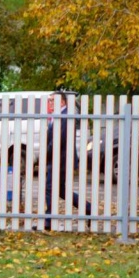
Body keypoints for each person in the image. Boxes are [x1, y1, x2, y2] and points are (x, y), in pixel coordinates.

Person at [44, 92, 92, 231]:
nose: (50, 103)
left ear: (63, 102)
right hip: (58, 159)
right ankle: (88, 208)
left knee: (49, 188)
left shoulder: (64, 116)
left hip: (60, 160)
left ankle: (49, 221)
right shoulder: (57, 116)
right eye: (50, 100)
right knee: (60, 190)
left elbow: (59, 140)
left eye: (53, 100)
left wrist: (45, 154)